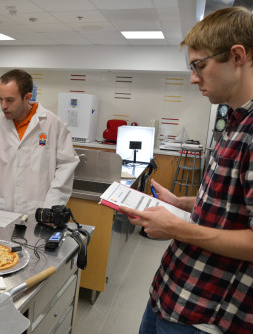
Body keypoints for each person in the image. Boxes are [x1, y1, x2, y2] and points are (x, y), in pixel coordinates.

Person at [119, 7, 253, 334]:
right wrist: (179, 203)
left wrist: (177, 228)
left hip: (206, 314)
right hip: (173, 293)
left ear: (237, 56)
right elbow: (230, 203)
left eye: (199, 66)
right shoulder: (236, 122)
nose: (194, 78)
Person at [0, 69, 79, 214]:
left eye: (9, 100)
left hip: (38, 210)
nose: (3, 105)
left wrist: (52, 206)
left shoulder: (53, 124)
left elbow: (66, 166)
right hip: (0, 209)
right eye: (0, 99)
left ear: (27, 97)